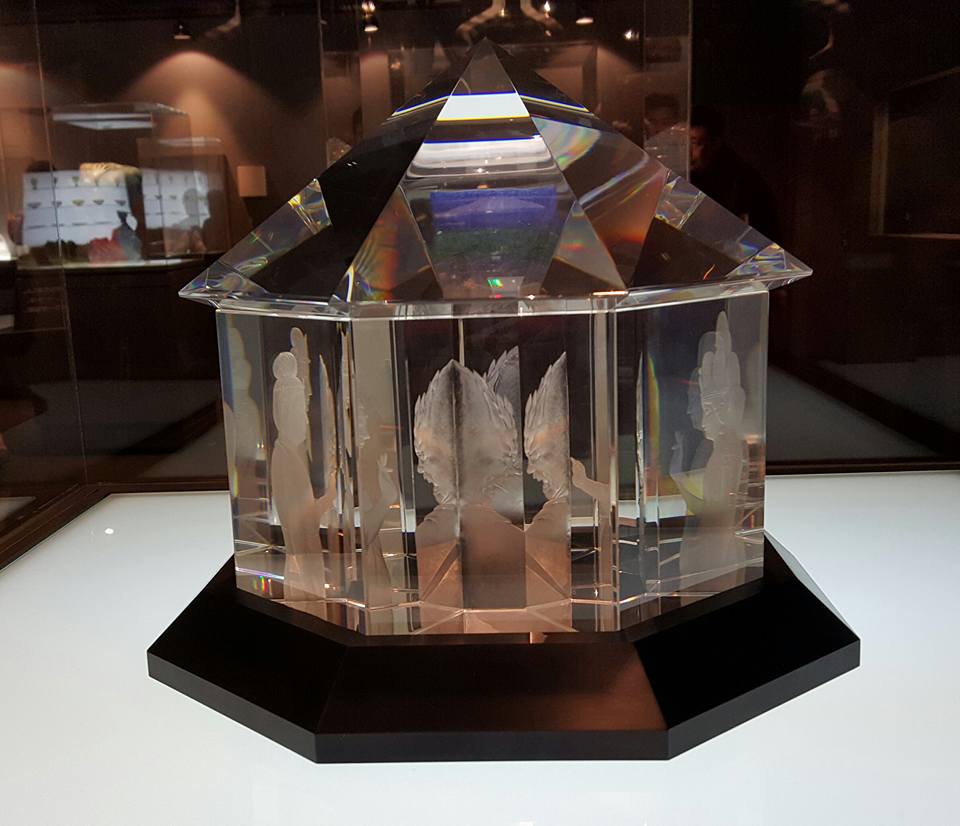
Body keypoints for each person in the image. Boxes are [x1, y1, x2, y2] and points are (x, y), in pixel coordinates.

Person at [689, 106, 779, 239]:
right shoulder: (689, 174)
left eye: (695, 143)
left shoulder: (743, 184)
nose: (687, 151)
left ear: (715, 143)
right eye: (683, 143)